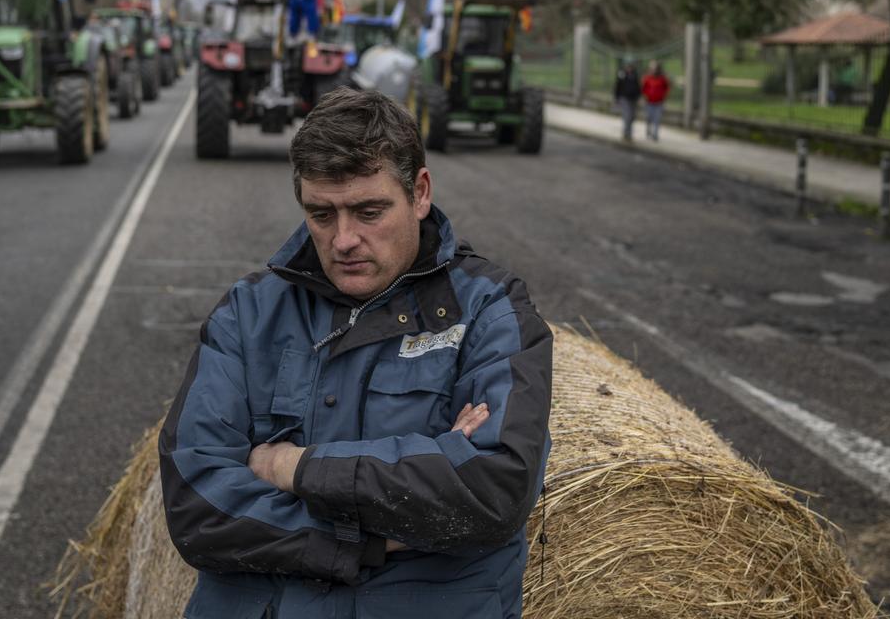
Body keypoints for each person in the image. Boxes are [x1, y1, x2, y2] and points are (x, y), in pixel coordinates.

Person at [160, 87, 553, 619]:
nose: (344, 240)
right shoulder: (248, 313)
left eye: (369, 212)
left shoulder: (490, 309)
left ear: (419, 193)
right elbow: (197, 508)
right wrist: (369, 539)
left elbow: (491, 491)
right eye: (321, 214)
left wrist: (291, 466)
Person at [641, 61, 671, 141]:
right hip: (649, 102)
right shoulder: (647, 77)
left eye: (655, 68)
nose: (653, 70)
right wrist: (644, 96)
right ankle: (648, 131)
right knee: (649, 118)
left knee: (657, 119)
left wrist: (665, 96)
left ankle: (655, 134)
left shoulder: (662, 78)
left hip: (659, 102)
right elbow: (643, 88)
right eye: (652, 68)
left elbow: (667, 88)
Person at [614, 60, 640, 141]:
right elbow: (617, 86)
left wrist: (638, 96)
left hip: (633, 99)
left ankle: (629, 133)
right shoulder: (622, 75)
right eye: (628, 66)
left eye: (631, 66)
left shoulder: (635, 75)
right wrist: (616, 98)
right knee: (627, 116)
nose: (629, 68)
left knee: (632, 117)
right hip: (624, 98)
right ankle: (626, 133)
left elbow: (638, 87)